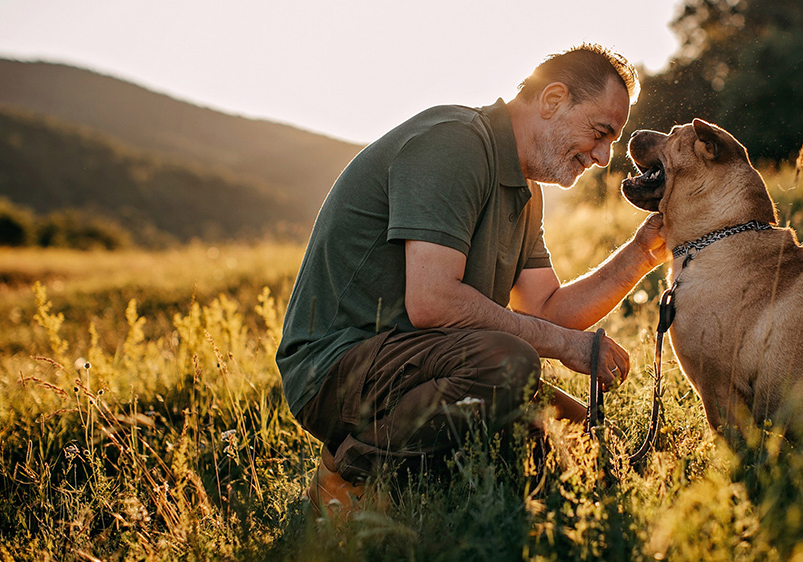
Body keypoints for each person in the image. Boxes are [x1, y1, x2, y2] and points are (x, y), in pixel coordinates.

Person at [275, 44, 668, 515]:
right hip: (336, 370)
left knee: (595, 453)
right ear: (552, 99)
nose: (604, 157)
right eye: (600, 132)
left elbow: (547, 309)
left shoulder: (526, 191)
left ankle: (431, 476)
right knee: (509, 364)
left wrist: (643, 253)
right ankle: (349, 478)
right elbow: (433, 301)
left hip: (428, 364)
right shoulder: (454, 143)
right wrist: (566, 345)